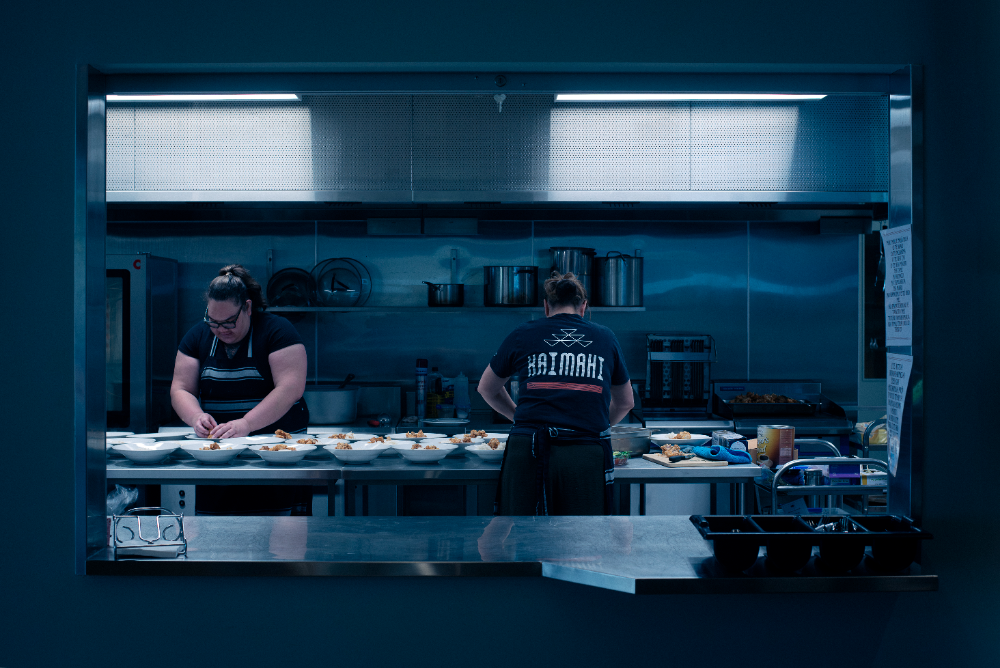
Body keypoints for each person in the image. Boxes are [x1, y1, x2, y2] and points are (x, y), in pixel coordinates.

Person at [477, 272, 633, 516]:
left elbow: (486, 388)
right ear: (583, 307)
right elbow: (626, 402)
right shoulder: (606, 337)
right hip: (584, 454)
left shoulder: (522, 334)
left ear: (546, 306)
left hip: (527, 451)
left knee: (524, 538)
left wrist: (518, 416)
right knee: (582, 543)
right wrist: (594, 425)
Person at [170, 264, 310, 514]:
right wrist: (195, 416)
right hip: (218, 461)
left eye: (229, 322)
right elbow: (181, 389)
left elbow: (290, 388)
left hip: (276, 461)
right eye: (213, 322)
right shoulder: (198, 336)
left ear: (247, 307)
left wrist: (246, 424)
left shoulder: (277, 331)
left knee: (280, 543)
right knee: (216, 543)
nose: (220, 330)